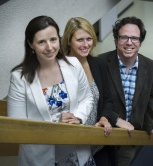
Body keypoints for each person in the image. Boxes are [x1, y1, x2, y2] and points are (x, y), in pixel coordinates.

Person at [7, 15, 94, 166]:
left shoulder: (73, 64)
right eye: (41, 42)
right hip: (41, 159)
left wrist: (78, 117)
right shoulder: (18, 78)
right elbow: (16, 127)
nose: (49, 47)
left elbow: (87, 98)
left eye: (53, 39)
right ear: (30, 44)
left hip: (79, 155)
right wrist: (56, 126)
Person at [62, 17, 134, 166]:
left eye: (89, 39)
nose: (86, 44)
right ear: (69, 40)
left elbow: (107, 99)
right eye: (80, 40)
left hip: (99, 141)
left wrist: (104, 118)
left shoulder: (98, 63)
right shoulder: (60, 68)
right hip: (73, 144)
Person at [98, 16, 153, 166]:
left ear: (140, 42)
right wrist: (116, 120)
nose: (129, 42)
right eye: (124, 37)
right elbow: (97, 101)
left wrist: (148, 126)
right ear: (116, 40)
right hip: (103, 136)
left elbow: (150, 99)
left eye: (134, 38)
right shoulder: (100, 62)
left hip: (130, 138)